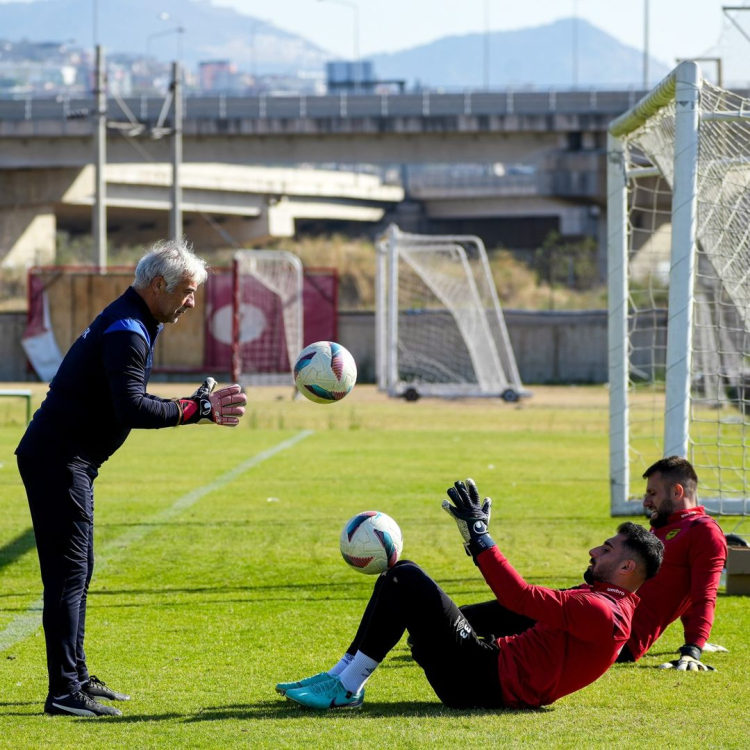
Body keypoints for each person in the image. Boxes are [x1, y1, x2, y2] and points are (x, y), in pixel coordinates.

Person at [15, 239, 248, 718]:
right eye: (186, 290)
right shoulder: (128, 328)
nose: (191, 301)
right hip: (59, 460)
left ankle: (76, 677)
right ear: (158, 285)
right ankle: (63, 693)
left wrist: (191, 406)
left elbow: (125, 394)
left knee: (77, 573)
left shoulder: (133, 319)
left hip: (66, 459)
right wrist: (196, 409)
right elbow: (133, 407)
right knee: (67, 577)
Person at [275, 479, 664, 710]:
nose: (595, 552)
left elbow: (520, 598)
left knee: (405, 576)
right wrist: (445, 617)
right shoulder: (605, 603)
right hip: (484, 671)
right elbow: (519, 612)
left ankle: (347, 688)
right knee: (403, 581)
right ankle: (340, 674)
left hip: (481, 681)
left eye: (607, 550)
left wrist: (480, 539)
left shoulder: (602, 611)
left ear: (627, 568)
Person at [615, 456, 728, 671]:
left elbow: (703, 595)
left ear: (677, 492)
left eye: (652, 494)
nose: (646, 502)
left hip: (613, 633)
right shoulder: (663, 526)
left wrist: (693, 647)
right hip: (593, 608)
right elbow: (677, 585)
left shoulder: (704, 532)